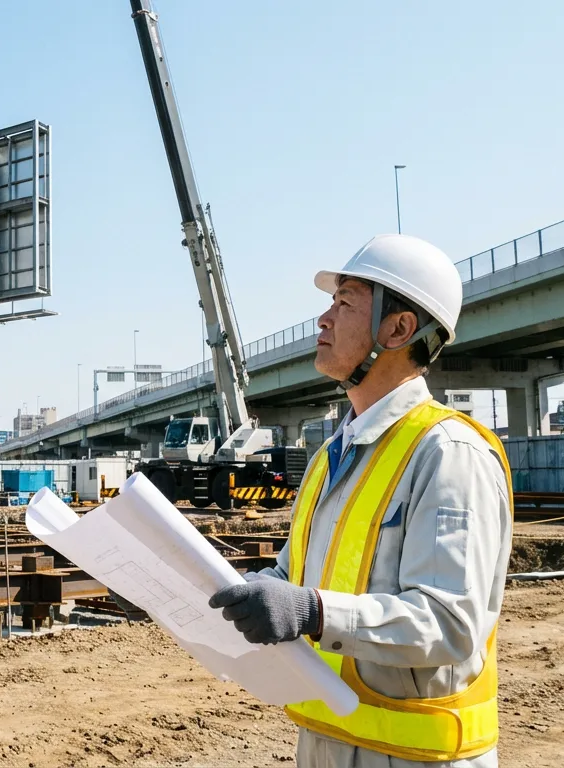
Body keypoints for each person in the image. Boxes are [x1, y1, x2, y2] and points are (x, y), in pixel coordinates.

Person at [208, 234, 513, 767]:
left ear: (398, 329)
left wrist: (313, 612)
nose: (323, 320)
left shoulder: (448, 453)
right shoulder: (331, 455)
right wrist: (179, 591)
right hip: (326, 746)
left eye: (344, 302)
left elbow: (450, 623)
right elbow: (285, 583)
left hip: (417, 759)